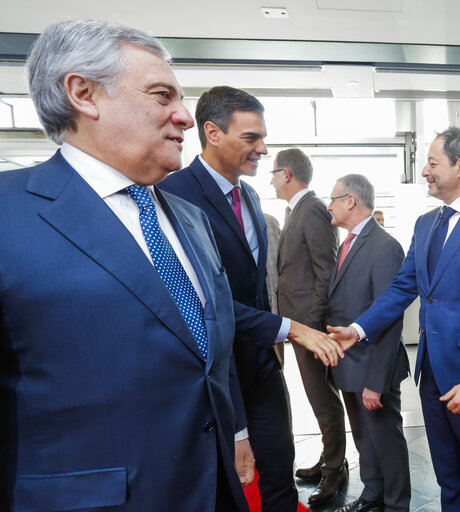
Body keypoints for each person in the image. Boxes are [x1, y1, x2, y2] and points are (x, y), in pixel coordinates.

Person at [0, 19, 268, 511]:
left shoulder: (191, 220)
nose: (185, 116)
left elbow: (209, 350)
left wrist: (235, 431)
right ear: (84, 94)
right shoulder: (7, 213)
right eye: (162, 95)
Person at [329, 127, 460, 511]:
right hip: (433, 374)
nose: (424, 170)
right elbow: (401, 288)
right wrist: (358, 330)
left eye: (432, 162)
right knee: (448, 476)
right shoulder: (426, 224)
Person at [158, 86, 339, 511]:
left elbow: (258, 286)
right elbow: (203, 297)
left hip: (261, 362)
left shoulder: (252, 196)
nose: (263, 149)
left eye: (263, 137)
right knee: (225, 482)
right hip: (214, 369)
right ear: (212, 133)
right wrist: (291, 328)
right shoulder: (174, 194)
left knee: (279, 469)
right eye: (251, 138)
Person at [326, 175, 411, 512]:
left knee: (387, 442)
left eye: (332, 198)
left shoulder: (385, 246)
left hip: (373, 366)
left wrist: (375, 383)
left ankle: (395, 505)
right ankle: (372, 496)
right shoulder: (346, 244)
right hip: (349, 365)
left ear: (351, 201)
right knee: (365, 441)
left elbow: (389, 319)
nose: (328, 205)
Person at [271, 148, 346, 506]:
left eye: (273, 173)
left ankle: (335, 469)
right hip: (298, 326)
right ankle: (328, 459)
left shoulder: (313, 209)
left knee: (323, 400)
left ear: (287, 174)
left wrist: (312, 329)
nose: (270, 179)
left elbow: (326, 271)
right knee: (319, 400)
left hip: (309, 326)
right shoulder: (296, 211)